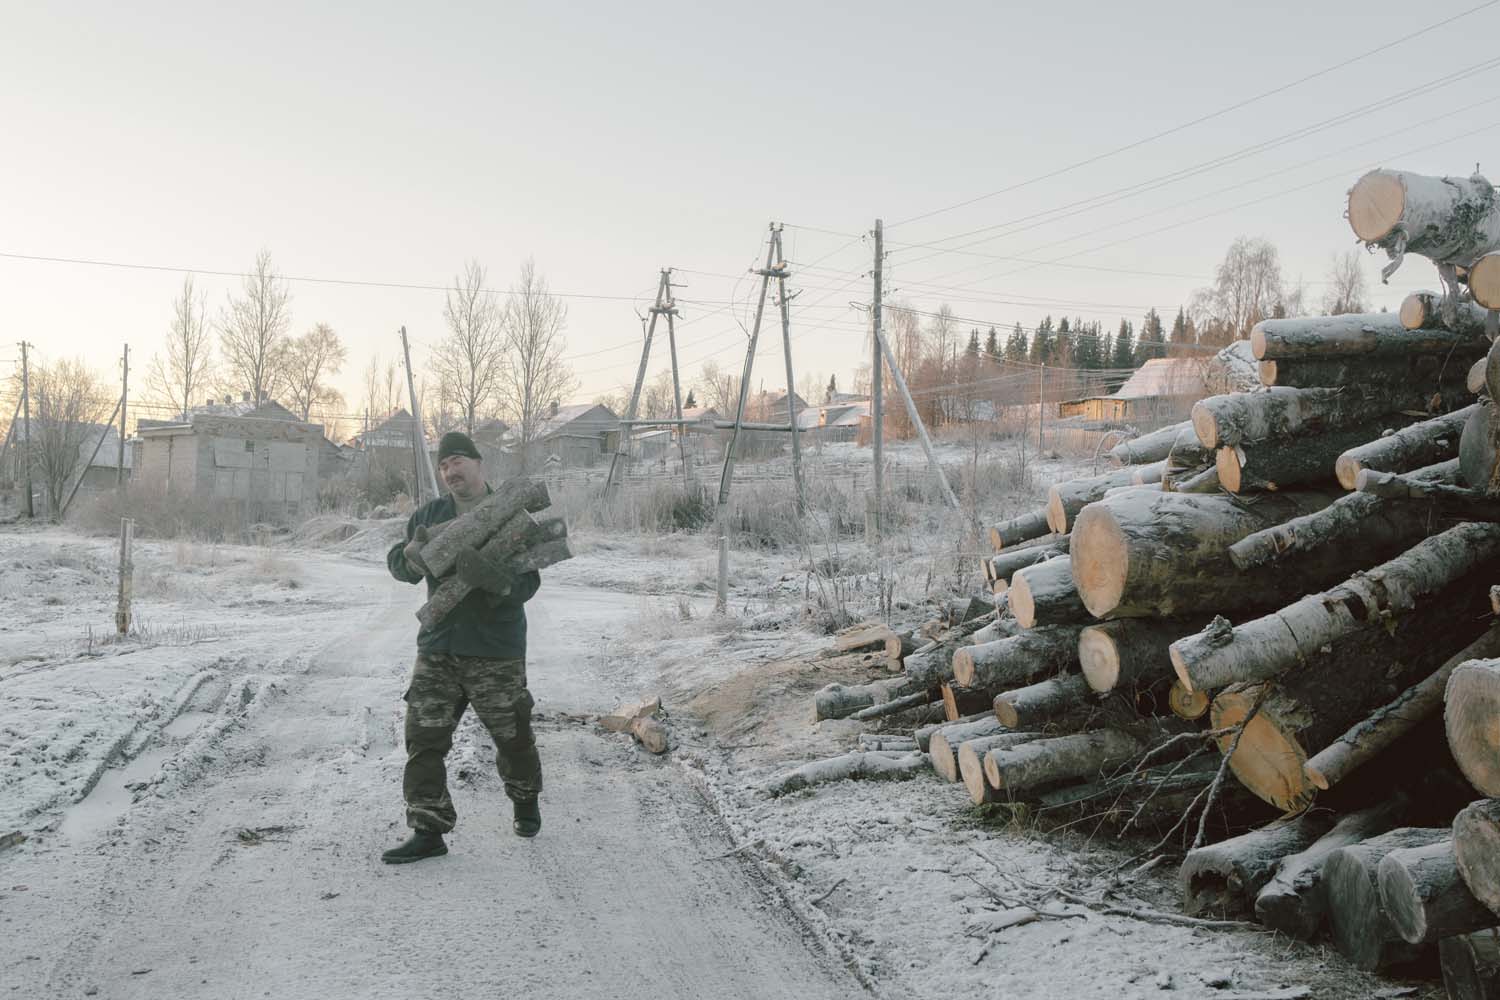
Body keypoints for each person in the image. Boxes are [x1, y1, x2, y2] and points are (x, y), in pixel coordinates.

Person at [381, 430, 543, 864]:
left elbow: (530, 581)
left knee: (513, 737)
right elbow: (402, 567)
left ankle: (525, 800)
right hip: (440, 644)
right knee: (424, 739)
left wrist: (498, 582)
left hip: (496, 645)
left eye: (457, 461)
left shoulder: (510, 511)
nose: (451, 471)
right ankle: (427, 828)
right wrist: (410, 556)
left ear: (478, 464)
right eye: (444, 465)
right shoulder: (431, 514)